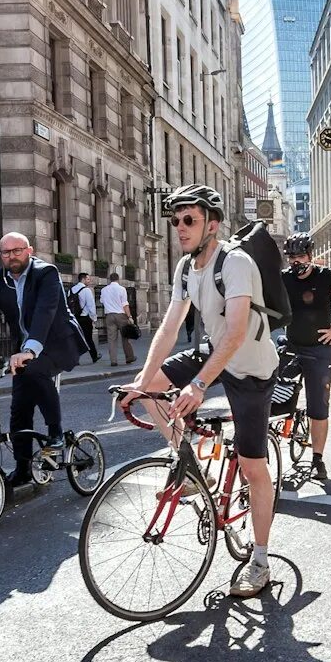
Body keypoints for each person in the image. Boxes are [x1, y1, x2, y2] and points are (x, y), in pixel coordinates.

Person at [124, 185, 281, 600]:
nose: (180, 228)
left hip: (250, 368)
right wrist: (142, 379)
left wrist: (197, 385)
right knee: (152, 389)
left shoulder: (236, 262)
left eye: (188, 220)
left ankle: (260, 561)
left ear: (212, 224)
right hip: (216, 353)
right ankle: (195, 468)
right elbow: (170, 326)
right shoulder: (185, 268)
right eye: (175, 221)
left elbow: (236, 332)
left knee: (252, 467)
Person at [0, 232, 88, 487]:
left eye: (17, 250)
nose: (12, 256)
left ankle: (55, 432)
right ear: (0, 255)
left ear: (29, 250)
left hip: (55, 342)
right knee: (19, 409)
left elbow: (45, 313)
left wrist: (31, 349)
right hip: (22, 351)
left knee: (36, 369)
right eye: (6, 252)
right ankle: (23, 468)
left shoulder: (46, 273)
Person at [280, 233, 331, 483]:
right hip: (292, 347)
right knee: (274, 398)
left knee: (318, 407)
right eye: (291, 257)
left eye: (300, 256)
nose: (296, 261)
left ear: (310, 256)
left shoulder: (325, 276)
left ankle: (317, 458)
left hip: (319, 351)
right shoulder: (284, 279)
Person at [99, 270, 134, 365]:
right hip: (121, 315)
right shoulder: (122, 289)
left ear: (110, 279)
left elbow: (102, 301)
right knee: (125, 337)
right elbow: (125, 304)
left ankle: (113, 361)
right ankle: (129, 357)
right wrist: (129, 316)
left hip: (109, 315)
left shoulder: (104, 290)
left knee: (111, 339)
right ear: (118, 279)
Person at [71, 274, 100, 363]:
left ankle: (75, 360)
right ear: (83, 279)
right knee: (88, 338)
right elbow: (91, 306)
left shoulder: (71, 290)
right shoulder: (86, 290)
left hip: (75, 318)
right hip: (85, 318)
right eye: (88, 279)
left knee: (76, 339)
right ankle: (94, 356)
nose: (89, 281)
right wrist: (94, 318)